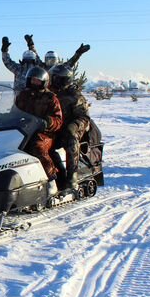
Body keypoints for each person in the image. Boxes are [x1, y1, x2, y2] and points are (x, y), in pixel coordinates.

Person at [14, 66, 64, 195]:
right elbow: (15, 112)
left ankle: (52, 180)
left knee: (37, 147)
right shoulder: (23, 95)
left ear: (44, 82)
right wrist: (2, 118)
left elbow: (58, 120)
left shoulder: (50, 98)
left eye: (37, 80)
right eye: (32, 80)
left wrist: (47, 122)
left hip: (44, 133)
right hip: (24, 130)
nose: (34, 82)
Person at [49, 44, 92, 190]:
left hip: (74, 125)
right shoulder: (51, 93)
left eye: (56, 79)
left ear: (64, 80)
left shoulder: (74, 95)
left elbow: (84, 117)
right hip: (56, 126)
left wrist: (73, 126)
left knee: (70, 136)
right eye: (52, 78)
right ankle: (57, 173)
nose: (53, 81)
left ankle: (72, 176)